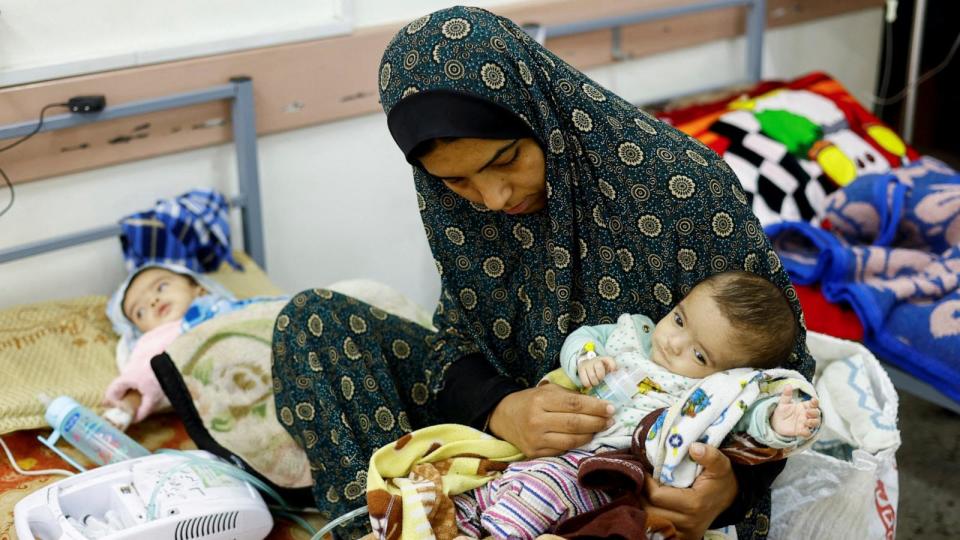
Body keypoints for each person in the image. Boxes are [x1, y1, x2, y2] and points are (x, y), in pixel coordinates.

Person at [271, 6, 813, 539]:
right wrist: (503, 408)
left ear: (540, 113)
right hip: (507, 436)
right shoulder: (457, 207)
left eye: (506, 160)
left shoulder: (684, 189)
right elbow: (457, 344)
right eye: (457, 182)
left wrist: (725, 494)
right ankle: (398, 522)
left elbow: (779, 372)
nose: (492, 198)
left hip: (624, 464)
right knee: (312, 322)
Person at [453, 271, 821, 538]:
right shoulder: (635, 335)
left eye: (698, 353)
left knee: (540, 495)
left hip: (606, 471)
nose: (674, 342)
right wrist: (585, 359)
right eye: (679, 319)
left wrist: (777, 421)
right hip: (552, 442)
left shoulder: (708, 393)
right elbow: (585, 337)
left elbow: (745, 416)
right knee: (482, 487)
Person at [104, 263, 278, 423]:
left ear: (198, 288)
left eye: (161, 287)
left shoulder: (229, 306)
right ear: (140, 332)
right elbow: (143, 375)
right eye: (140, 312)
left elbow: (270, 310)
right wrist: (127, 405)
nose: (152, 301)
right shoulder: (159, 338)